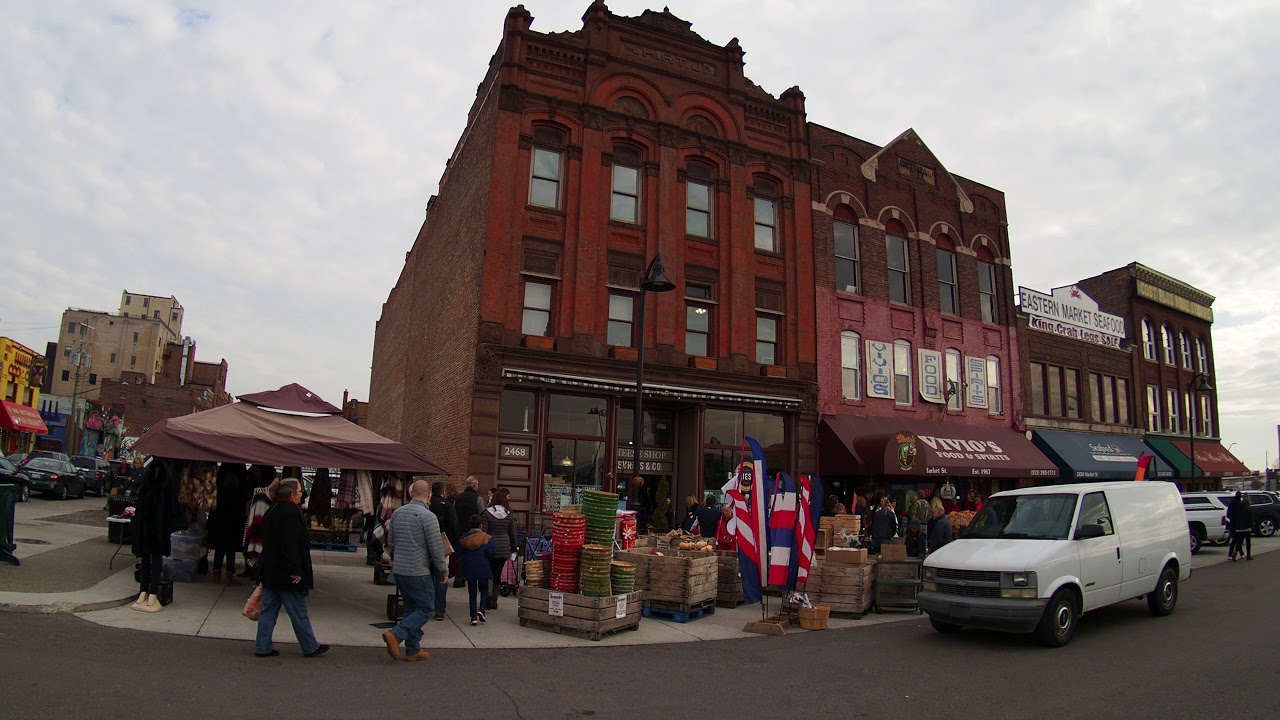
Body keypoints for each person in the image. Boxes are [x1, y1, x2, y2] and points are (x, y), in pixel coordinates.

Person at [255, 478, 328, 658]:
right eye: (300, 491)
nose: (302, 494)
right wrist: (295, 570)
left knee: (268, 611)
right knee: (298, 611)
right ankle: (310, 646)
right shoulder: (290, 513)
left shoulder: (272, 510)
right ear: (291, 493)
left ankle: (262, 646)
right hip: (285, 573)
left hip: (270, 571)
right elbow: (290, 545)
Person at [382, 480, 448, 662]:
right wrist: (443, 571)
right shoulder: (429, 517)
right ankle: (396, 634)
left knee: (411, 608)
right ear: (429, 496)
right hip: (418, 570)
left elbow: (391, 543)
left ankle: (413, 649)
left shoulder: (397, 513)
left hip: (400, 570)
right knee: (427, 608)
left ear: (411, 494)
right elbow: (436, 549)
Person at [130, 459, 183, 613]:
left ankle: (144, 592)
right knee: (156, 562)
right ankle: (152, 593)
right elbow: (173, 511)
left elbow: (139, 511)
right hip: (159, 531)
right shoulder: (167, 487)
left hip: (146, 530)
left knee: (146, 560)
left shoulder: (145, 487)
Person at [207, 463, 250, 585]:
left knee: (220, 548)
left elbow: (214, 511)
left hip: (221, 522)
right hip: (233, 523)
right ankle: (229, 573)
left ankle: (217, 573)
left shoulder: (220, 492)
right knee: (230, 549)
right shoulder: (239, 493)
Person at [481, 488, 518, 609]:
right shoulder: (509, 515)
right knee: (497, 574)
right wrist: (514, 549)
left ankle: (487, 597)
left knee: (488, 573)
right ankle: (494, 601)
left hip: (490, 546)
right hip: (503, 547)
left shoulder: (487, 513)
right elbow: (512, 534)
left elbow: (484, 532)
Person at [456, 514, 496, 626]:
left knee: (472, 592)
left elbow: (458, 552)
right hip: (483, 567)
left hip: (469, 568)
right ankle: (482, 609)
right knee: (483, 589)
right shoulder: (487, 538)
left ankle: (473, 616)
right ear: (481, 525)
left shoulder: (464, 538)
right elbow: (491, 554)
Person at [428, 481, 458, 621]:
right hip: (442, 542)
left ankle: (427, 606)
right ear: (443, 492)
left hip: (426, 543)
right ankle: (439, 609)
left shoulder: (427, 505)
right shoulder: (447, 506)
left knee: (427, 575)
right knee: (442, 575)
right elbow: (454, 525)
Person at [1227, 491, 1253, 562]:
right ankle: (1248, 555)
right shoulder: (1247, 506)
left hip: (1238, 527)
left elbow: (1233, 515)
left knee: (1239, 542)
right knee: (1248, 542)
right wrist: (1251, 525)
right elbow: (1250, 517)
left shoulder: (1237, 505)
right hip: (1247, 527)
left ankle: (1235, 552)